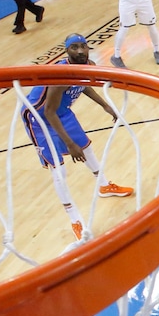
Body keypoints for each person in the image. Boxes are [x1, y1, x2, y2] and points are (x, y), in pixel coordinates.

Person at [21, 33, 134, 240]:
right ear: (66, 51)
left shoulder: (87, 64)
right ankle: (75, 220)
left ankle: (104, 185)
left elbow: (83, 86)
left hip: (61, 112)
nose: (80, 51)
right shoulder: (59, 78)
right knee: (59, 168)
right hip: (40, 117)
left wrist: (105, 105)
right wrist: (69, 144)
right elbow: (49, 112)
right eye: (74, 47)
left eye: (83, 46)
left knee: (87, 147)